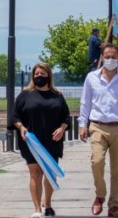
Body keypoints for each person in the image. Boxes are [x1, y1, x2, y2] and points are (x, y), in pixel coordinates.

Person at [78, 43, 118, 218]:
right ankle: (100, 195)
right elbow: (85, 102)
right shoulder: (92, 78)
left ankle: (113, 206)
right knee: (96, 162)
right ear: (102, 57)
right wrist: (82, 124)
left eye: (114, 57)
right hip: (97, 125)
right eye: (107, 56)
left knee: (117, 170)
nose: (110, 60)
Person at [12, 63, 71, 218]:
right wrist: (21, 127)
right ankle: (37, 208)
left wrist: (62, 128)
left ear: (49, 76)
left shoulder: (57, 95)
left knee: (49, 174)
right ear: (33, 76)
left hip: (53, 140)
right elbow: (14, 116)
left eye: (43, 74)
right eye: (37, 74)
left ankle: (48, 204)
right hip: (31, 141)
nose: (39, 76)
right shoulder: (25, 95)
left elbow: (66, 117)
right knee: (35, 173)